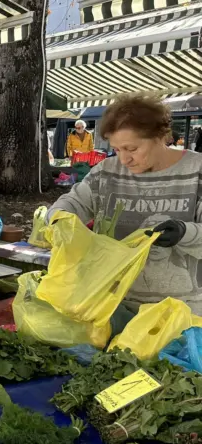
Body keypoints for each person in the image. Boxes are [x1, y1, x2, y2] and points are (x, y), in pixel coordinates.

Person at [48, 94, 202, 315]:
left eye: (132, 149)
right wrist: (59, 217)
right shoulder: (106, 172)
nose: (124, 159)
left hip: (180, 314)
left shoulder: (197, 170)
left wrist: (186, 233)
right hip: (111, 306)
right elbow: (72, 203)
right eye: (117, 149)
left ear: (160, 136)